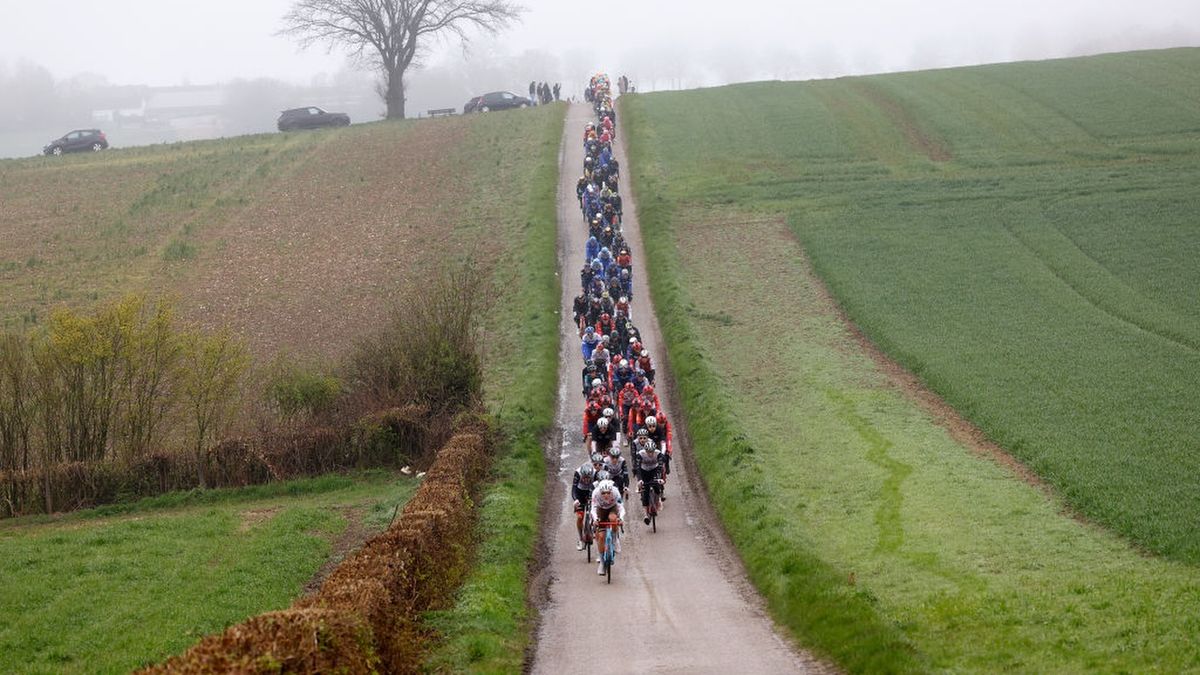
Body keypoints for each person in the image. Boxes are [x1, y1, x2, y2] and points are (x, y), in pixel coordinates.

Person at [590, 475, 625, 573]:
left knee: (613, 518)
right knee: (601, 537)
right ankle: (602, 562)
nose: (606, 495)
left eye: (608, 493)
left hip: (613, 508)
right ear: (600, 491)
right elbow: (593, 508)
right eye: (603, 493)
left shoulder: (616, 492)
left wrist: (621, 518)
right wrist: (595, 519)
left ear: (611, 491)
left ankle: (615, 539)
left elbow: (621, 507)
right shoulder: (595, 493)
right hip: (600, 509)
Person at [633, 431, 669, 524]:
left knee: (657, 486)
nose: (650, 454)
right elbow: (638, 468)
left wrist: (660, 479)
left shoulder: (658, 453)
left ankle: (658, 500)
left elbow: (660, 466)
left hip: (654, 470)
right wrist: (640, 479)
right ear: (645, 450)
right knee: (645, 492)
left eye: (651, 452)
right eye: (648, 452)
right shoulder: (640, 454)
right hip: (644, 471)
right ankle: (646, 514)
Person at [572, 460, 597, 550]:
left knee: (595, 513)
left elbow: (597, 489)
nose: (586, 480)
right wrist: (576, 500)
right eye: (584, 478)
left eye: (588, 478)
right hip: (580, 493)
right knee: (579, 517)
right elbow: (574, 490)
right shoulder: (577, 473)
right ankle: (580, 538)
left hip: (591, 491)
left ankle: (593, 529)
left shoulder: (595, 473)